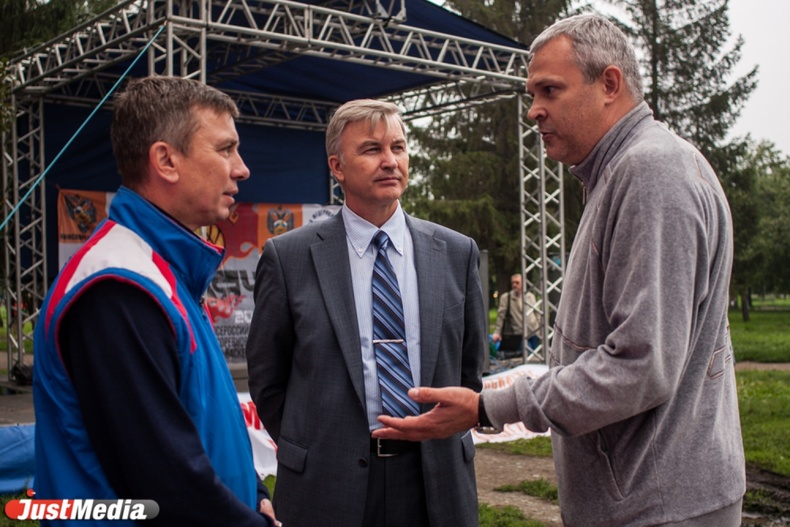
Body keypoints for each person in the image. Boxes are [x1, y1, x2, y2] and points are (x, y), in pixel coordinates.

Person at [374, 14, 745, 527]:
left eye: (550, 90)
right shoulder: (624, 171)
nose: (533, 111)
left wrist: (488, 407)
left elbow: (641, 366)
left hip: (657, 506)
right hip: (648, 498)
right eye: (532, 94)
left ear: (609, 84)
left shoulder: (649, 173)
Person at [33, 76, 278, 527]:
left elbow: (206, 424)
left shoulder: (162, 272)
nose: (242, 169)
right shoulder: (119, 285)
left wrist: (255, 492)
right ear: (166, 161)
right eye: (225, 149)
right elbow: (163, 479)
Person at [245, 98, 486, 527]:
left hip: (436, 478)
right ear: (337, 167)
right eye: (372, 149)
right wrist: (315, 447)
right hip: (327, 482)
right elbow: (267, 378)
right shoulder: (289, 257)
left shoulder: (456, 252)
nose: (390, 161)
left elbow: (469, 367)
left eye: (399, 147)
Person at [491, 273, 541, 354]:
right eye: (513, 283)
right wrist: (497, 332)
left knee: (536, 356)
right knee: (527, 354)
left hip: (534, 331)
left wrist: (540, 328)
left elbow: (537, 313)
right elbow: (501, 316)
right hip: (519, 334)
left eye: (517, 283)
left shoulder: (530, 296)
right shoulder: (506, 297)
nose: (514, 285)